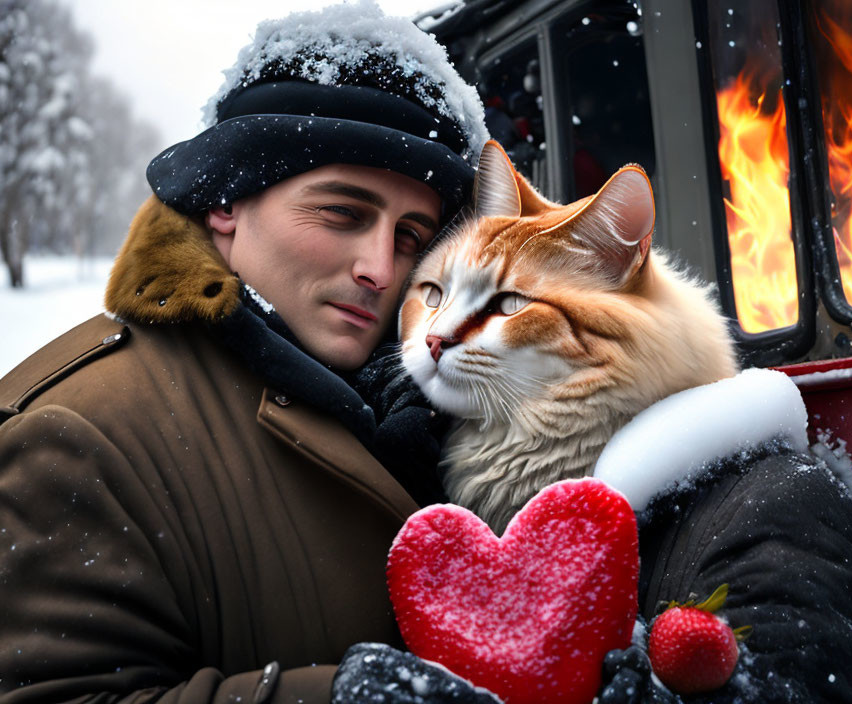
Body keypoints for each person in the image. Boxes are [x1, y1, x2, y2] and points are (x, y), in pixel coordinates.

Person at [0, 2, 498, 702]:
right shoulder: (75, 433)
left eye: (411, 235)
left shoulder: (452, 396)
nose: (381, 269)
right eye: (343, 214)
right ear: (225, 202)